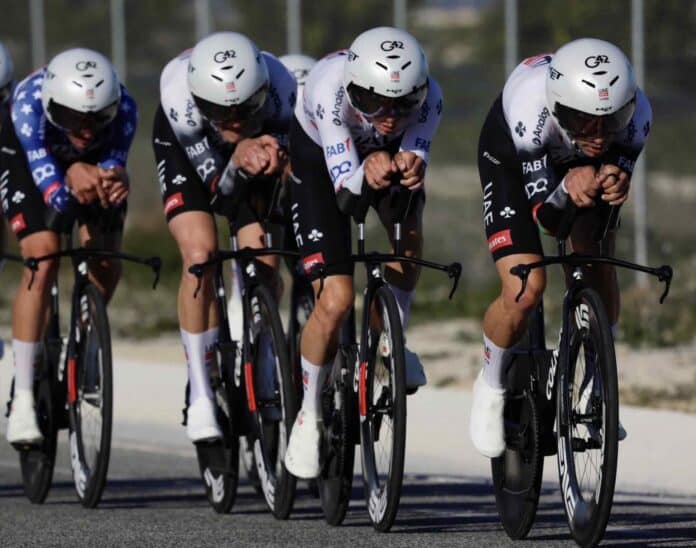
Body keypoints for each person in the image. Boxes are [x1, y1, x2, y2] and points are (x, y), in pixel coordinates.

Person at [470, 38, 651, 458]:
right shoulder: (530, 108)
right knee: (525, 288)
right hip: (511, 162)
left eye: (610, 121)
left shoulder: (638, 116)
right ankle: (490, 386)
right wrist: (567, 186)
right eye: (584, 121)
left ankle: (597, 379)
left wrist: (615, 177)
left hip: (572, 165)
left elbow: (613, 165)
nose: (599, 135)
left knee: (596, 260)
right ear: (559, 107)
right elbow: (548, 218)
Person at [284, 26, 443, 478]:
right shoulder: (330, 94)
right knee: (334, 300)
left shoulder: (431, 99)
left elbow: (411, 163)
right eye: (374, 102)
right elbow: (348, 198)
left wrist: (410, 168)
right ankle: (308, 413)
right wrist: (365, 169)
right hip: (320, 158)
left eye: (403, 104)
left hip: (379, 157)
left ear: (420, 94)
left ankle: (392, 339)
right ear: (355, 91)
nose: (390, 116)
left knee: (408, 231)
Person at [152, 32, 296, 443]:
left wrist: (276, 156)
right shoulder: (180, 99)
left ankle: (264, 353)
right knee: (200, 254)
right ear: (201, 102)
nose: (233, 120)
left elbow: (290, 168)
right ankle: (201, 389)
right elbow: (220, 192)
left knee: (264, 262)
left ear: (263, 93)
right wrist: (237, 156)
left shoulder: (285, 88)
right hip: (189, 151)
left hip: (252, 148)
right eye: (220, 111)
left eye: (245, 109)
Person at [1, 48, 137, 444]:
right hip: (32, 164)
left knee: (106, 255)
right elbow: (54, 195)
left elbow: (112, 166)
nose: (87, 129)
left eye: (97, 118)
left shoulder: (125, 108)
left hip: (91, 167)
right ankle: (24, 396)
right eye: (74, 118)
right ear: (52, 106)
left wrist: (113, 179)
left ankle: (84, 331)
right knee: (42, 258)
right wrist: (71, 177)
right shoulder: (27, 106)